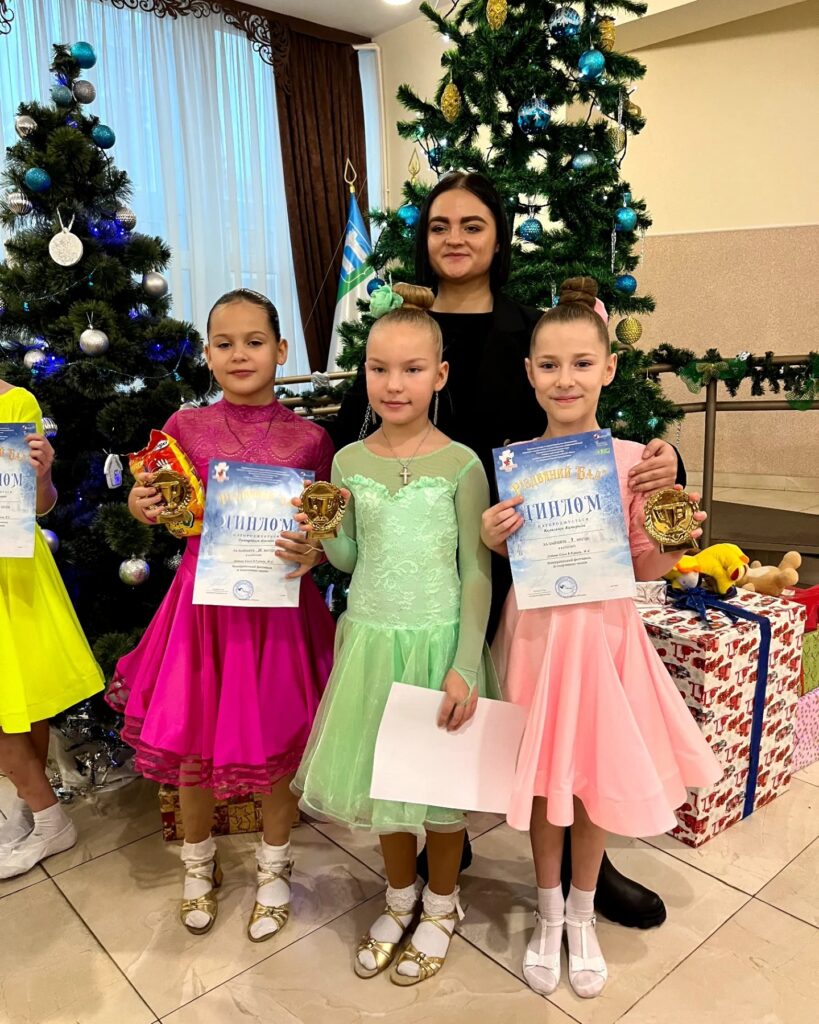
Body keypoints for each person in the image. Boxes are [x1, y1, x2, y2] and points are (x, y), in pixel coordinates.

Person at [330, 170, 681, 929]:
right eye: (439, 226)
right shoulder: (400, 326)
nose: (454, 239)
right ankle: (439, 834)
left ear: (498, 236)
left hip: (536, 551)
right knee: (435, 696)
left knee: (562, 715)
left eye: (472, 225)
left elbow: (586, 423)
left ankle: (590, 869)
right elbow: (353, 426)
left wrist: (663, 464)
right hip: (433, 552)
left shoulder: (529, 327)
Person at [484, 278, 722, 999]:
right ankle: (547, 911)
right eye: (550, 364)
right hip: (537, 640)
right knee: (541, 784)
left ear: (608, 369)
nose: (566, 379)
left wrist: (670, 538)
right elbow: (510, 555)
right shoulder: (515, 462)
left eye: (582, 363)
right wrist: (492, 538)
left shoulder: (633, 461)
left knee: (590, 777)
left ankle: (582, 914)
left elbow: (646, 566)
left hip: (605, 642)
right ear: (529, 373)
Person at [109, 289, 335, 940]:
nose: (240, 354)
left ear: (281, 350)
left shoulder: (310, 438)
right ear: (207, 354)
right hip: (201, 613)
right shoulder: (184, 428)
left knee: (279, 744)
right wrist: (142, 506)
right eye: (224, 343)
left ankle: (274, 867)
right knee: (191, 741)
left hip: (280, 615)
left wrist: (317, 549)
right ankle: (197, 862)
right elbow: (156, 502)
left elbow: (326, 527)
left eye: (254, 342)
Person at [293, 282, 498, 985]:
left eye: (412, 369)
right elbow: (351, 560)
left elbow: (475, 570)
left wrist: (465, 662)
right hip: (371, 643)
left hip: (439, 643)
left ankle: (441, 906)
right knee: (384, 785)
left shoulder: (462, 463)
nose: (394, 383)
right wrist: (325, 532)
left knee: (439, 794)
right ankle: (399, 895)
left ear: (439, 374)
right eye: (379, 368)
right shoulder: (348, 462)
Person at [0, 381, 104, 879]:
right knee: (13, 703)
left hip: (13, 569)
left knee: (22, 701)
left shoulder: (16, 402)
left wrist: (43, 476)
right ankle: (34, 810)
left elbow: (39, 504)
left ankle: (46, 818)